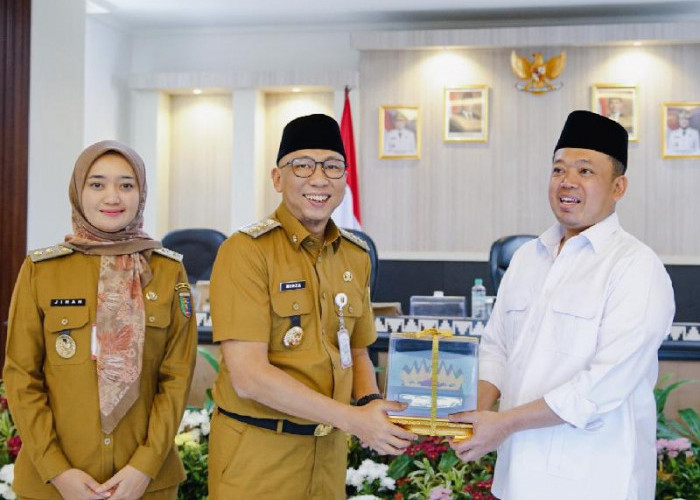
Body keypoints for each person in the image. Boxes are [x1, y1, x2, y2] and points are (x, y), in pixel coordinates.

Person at [449, 110, 675, 500]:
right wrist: (474, 417)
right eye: (558, 170)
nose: (567, 181)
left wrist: (503, 423)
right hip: (517, 477)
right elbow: (497, 348)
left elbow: (601, 386)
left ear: (618, 187)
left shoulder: (636, 267)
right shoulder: (527, 258)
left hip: (595, 480)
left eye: (585, 171)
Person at [208, 113, 415, 500]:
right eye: (302, 165)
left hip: (328, 456)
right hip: (259, 457)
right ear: (277, 178)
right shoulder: (246, 252)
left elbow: (357, 351)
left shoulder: (355, 255)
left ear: (345, 179)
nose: (319, 179)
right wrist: (354, 419)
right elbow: (248, 376)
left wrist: (371, 404)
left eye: (332, 166)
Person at [4, 141, 197, 500]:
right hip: (54, 486)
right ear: (78, 191)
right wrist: (57, 471)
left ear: (141, 193)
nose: (113, 197)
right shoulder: (41, 271)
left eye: (126, 185)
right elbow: (21, 376)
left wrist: (145, 466)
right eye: (97, 184)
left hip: (145, 485)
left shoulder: (168, 271)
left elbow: (177, 377)